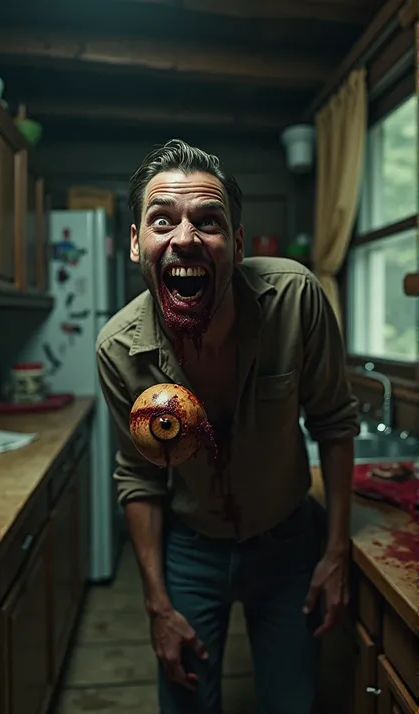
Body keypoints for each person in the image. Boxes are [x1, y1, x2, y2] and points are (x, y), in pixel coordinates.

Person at [96, 139, 359, 714]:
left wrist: (336, 551)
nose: (184, 237)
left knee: (292, 701)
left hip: (288, 541)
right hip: (191, 548)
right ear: (137, 243)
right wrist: (157, 605)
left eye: (208, 221)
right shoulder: (119, 349)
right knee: (185, 698)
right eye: (162, 220)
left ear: (236, 244)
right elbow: (138, 476)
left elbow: (335, 424)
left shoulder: (295, 299)